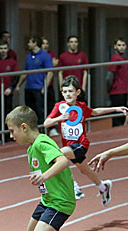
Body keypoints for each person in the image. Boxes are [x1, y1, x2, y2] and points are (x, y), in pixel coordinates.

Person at [43, 75, 127, 204]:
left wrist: (115, 108)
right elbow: (46, 123)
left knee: (58, 156)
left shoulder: (81, 106)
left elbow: (95, 112)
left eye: (70, 91)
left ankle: (74, 187)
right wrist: (58, 119)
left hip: (81, 145)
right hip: (69, 146)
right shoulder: (60, 107)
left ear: (77, 92)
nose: (67, 94)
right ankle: (103, 187)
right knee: (85, 170)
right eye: (64, 92)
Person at [15, 36, 53, 125]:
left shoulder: (45, 56)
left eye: (30, 42)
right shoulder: (29, 56)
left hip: (39, 88)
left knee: (40, 111)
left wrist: (45, 87)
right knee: (30, 112)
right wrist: (19, 84)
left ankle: (42, 131)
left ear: (35, 43)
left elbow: (50, 72)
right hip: (28, 88)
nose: (28, 44)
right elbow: (25, 71)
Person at [58, 36, 89, 101]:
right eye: (71, 42)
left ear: (78, 43)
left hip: (78, 87)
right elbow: (60, 72)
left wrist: (83, 87)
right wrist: (61, 86)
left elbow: (85, 72)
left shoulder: (82, 55)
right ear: (68, 44)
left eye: (75, 42)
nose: (73, 44)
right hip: (67, 87)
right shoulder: (63, 56)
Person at [107, 37, 128, 127]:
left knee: (122, 115)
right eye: (119, 45)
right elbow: (109, 76)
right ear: (115, 47)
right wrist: (109, 88)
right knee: (117, 116)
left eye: (123, 45)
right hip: (117, 91)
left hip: (124, 90)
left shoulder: (123, 59)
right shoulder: (115, 58)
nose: (121, 47)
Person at [41, 36, 59, 137]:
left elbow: (54, 64)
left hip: (49, 86)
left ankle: (52, 128)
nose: (46, 45)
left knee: (51, 107)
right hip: (38, 85)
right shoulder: (37, 55)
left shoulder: (51, 54)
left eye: (47, 43)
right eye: (44, 43)